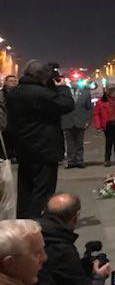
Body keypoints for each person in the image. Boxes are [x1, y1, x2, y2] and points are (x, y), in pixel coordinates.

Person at [5, 62, 74, 219]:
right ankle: (37, 223)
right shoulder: (40, 94)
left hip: (24, 148)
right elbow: (67, 105)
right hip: (44, 149)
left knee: (25, 190)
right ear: (42, 77)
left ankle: (23, 223)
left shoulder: (15, 93)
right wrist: (63, 87)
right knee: (42, 191)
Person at [35, 193, 110, 285]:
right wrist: (99, 277)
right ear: (76, 216)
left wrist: (82, 265)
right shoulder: (61, 248)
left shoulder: (32, 232)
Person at [61, 80, 93, 169]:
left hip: (80, 121)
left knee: (79, 142)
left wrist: (88, 121)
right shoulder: (64, 94)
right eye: (72, 81)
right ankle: (70, 161)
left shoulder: (86, 93)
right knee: (69, 143)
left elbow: (89, 108)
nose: (74, 83)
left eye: (75, 81)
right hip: (67, 121)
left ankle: (79, 160)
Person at [1, 75, 17, 163]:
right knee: (7, 138)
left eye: (15, 81)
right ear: (6, 82)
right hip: (5, 119)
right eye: (11, 81)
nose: (14, 82)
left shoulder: (19, 92)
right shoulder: (2, 93)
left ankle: (14, 155)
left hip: (16, 119)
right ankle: (7, 156)